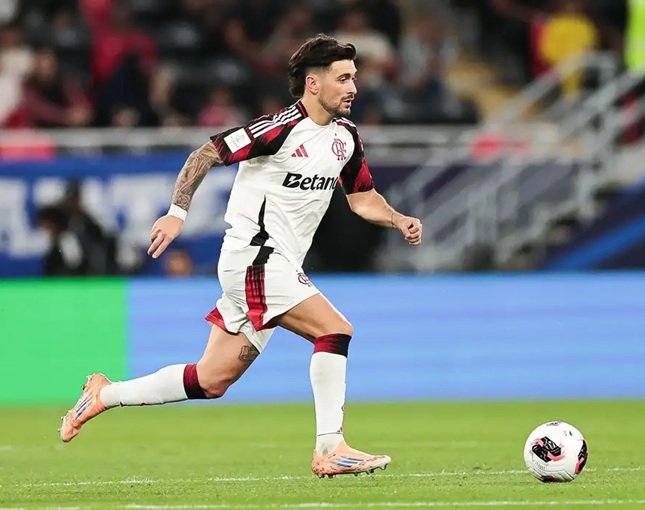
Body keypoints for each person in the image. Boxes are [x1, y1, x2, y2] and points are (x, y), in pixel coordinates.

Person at [59, 34, 423, 478]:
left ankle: (104, 394)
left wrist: (397, 219)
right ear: (313, 83)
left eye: (353, 78)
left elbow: (362, 198)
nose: (353, 88)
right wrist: (177, 213)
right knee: (335, 329)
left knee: (211, 380)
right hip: (255, 257)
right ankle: (330, 448)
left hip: (275, 266)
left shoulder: (345, 138)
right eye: (343, 78)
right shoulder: (278, 129)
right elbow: (206, 154)